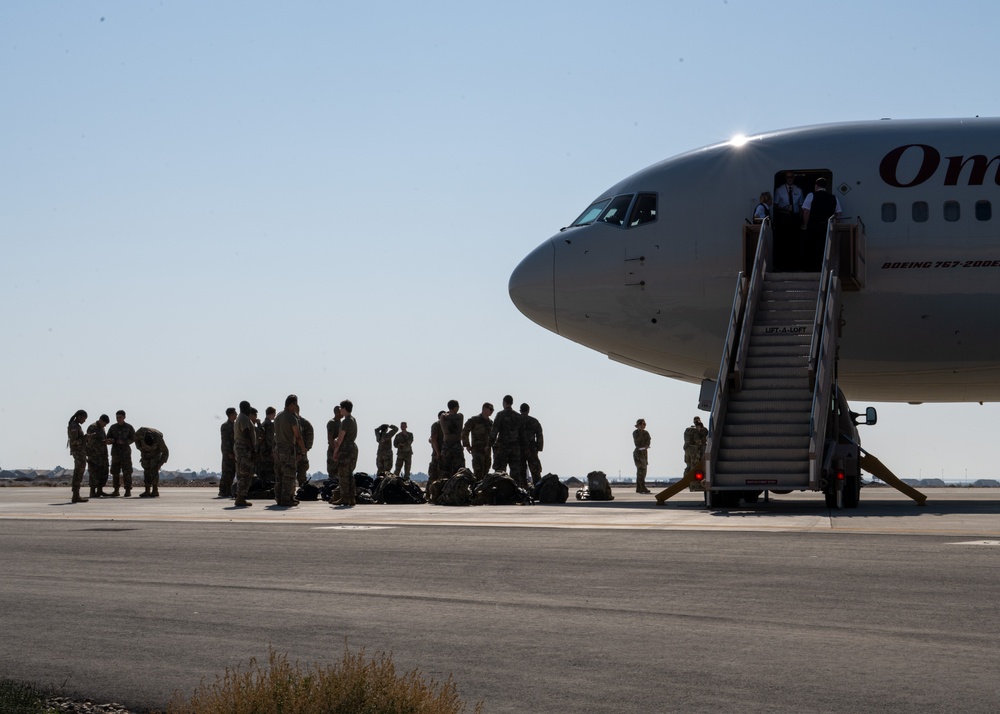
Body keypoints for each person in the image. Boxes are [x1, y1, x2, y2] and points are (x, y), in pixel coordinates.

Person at [801, 177, 842, 271]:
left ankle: (810, 269)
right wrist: (835, 226)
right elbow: (839, 213)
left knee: (811, 248)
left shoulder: (811, 195)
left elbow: (806, 211)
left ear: (816, 186)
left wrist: (806, 225)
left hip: (813, 227)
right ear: (825, 187)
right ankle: (823, 269)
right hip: (827, 228)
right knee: (824, 248)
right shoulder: (833, 197)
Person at [274, 394, 307, 507]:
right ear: (291, 404)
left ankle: (279, 498)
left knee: (279, 474)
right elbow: (297, 436)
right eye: (295, 405)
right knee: (289, 475)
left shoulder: (278, 416)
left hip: (278, 448)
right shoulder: (291, 418)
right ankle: (286, 499)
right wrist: (303, 448)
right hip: (288, 448)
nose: (296, 407)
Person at [772, 172, 804, 271]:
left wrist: (802, 220)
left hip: (795, 218)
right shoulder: (779, 190)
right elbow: (775, 206)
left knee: (795, 241)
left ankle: (795, 264)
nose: (789, 179)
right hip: (784, 218)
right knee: (783, 241)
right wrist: (785, 208)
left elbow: (801, 206)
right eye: (787, 177)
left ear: (793, 178)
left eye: (791, 177)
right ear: (785, 178)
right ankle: (782, 264)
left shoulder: (799, 190)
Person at [490, 395, 524, 486]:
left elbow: (494, 431)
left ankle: (500, 491)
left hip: (502, 447)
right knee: (515, 471)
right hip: (515, 447)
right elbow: (521, 434)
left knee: (500, 471)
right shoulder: (518, 416)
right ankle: (516, 491)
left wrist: (489, 444)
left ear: (504, 402)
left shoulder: (500, 415)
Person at [332, 399, 358, 506]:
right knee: (349, 474)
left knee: (343, 474)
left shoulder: (346, 421)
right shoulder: (353, 420)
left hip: (346, 449)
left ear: (344, 408)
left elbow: (341, 438)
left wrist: (335, 451)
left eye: (341, 408)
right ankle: (351, 498)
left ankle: (345, 497)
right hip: (352, 448)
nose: (339, 410)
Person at [232, 401, 257, 507]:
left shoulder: (241, 418)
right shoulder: (244, 419)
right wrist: (252, 450)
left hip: (241, 448)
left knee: (242, 473)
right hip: (244, 449)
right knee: (245, 473)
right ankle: (240, 497)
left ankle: (240, 496)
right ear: (245, 408)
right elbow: (246, 435)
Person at [107, 410, 136, 497]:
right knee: (115, 472)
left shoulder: (129, 427)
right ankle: (116, 490)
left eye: (120, 417)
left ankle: (127, 490)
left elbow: (134, 438)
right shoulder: (113, 427)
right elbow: (108, 438)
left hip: (125, 453)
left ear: (124, 417)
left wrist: (125, 442)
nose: (118, 419)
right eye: (117, 417)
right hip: (116, 453)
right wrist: (111, 441)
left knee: (127, 472)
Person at [461, 403, 494, 481]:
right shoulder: (474, 420)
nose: (492, 411)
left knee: (486, 472)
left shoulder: (491, 423)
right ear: (484, 409)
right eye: (490, 409)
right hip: (477, 450)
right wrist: (467, 445)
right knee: (478, 472)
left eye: (492, 410)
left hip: (487, 451)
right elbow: (465, 431)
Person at [134, 427, 168, 498]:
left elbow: (165, 452)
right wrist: (140, 448)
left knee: (154, 469)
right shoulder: (139, 433)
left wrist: (160, 463)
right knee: (146, 469)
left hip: (155, 453)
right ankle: (147, 490)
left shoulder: (158, 438)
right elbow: (134, 440)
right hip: (145, 453)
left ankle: (155, 490)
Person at [85, 414, 112, 498]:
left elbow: (102, 440)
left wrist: (107, 441)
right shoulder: (92, 428)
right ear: (100, 420)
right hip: (94, 455)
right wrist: (103, 442)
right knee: (94, 473)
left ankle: (100, 491)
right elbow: (91, 442)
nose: (105, 425)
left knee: (103, 473)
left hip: (103, 455)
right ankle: (92, 491)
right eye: (104, 423)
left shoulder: (102, 429)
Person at [518, 403, 544, 489]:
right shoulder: (534, 421)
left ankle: (523, 489)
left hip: (519, 449)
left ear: (520, 410)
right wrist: (538, 447)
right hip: (532, 449)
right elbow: (539, 435)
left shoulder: (516, 420)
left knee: (521, 470)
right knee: (535, 471)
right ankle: (538, 489)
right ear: (528, 410)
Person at [67, 410, 89, 503]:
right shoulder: (74, 426)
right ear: (80, 417)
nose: (84, 421)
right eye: (84, 418)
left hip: (80, 452)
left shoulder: (76, 426)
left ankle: (76, 494)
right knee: (78, 473)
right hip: (78, 452)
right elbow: (74, 441)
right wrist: (85, 438)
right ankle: (75, 495)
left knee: (79, 473)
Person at [439, 400, 465, 480]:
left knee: (445, 468)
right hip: (457, 443)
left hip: (446, 444)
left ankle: (444, 486)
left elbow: (443, 414)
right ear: (456, 407)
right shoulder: (460, 417)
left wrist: (444, 414)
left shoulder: (443, 418)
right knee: (459, 468)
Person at [426, 411, 446, 496]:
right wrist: (438, 452)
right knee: (433, 474)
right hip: (437, 453)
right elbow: (433, 438)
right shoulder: (437, 425)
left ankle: (435, 493)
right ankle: (428, 494)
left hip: (444, 453)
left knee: (441, 474)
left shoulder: (446, 425)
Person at [219, 407, 237, 498]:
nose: (236, 414)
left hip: (235, 452)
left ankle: (229, 490)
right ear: (231, 415)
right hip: (228, 453)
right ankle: (223, 491)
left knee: (233, 472)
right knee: (226, 472)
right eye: (235, 413)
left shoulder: (235, 425)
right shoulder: (225, 426)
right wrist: (229, 452)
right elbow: (225, 440)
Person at [683, 416, 708, 481]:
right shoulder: (698, 430)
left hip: (687, 449)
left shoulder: (688, 430)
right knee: (695, 465)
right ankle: (693, 480)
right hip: (694, 450)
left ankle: (685, 480)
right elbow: (698, 441)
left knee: (688, 465)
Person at [257, 406, 276, 489]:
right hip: (267, 451)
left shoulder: (263, 424)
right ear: (271, 414)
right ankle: (269, 487)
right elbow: (270, 439)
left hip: (262, 451)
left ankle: (263, 486)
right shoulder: (269, 424)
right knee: (270, 470)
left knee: (263, 470)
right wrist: (272, 450)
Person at [296, 412, 315, 488]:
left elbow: (310, 437)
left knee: (302, 474)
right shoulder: (288, 421)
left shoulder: (305, 423)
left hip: (301, 454)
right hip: (290, 453)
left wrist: (304, 451)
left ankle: (302, 490)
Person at [633, 419, 651, 494]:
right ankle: (641, 487)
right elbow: (637, 441)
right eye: (642, 424)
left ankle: (639, 487)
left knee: (643, 470)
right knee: (641, 470)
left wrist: (646, 446)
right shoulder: (635, 433)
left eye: (644, 424)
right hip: (638, 452)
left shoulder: (646, 433)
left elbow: (648, 441)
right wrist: (640, 431)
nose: (644, 426)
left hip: (644, 452)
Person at [326, 405, 342, 477]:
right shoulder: (332, 423)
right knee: (333, 471)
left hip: (339, 450)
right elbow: (330, 437)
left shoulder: (341, 423)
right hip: (333, 450)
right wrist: (334, 450)